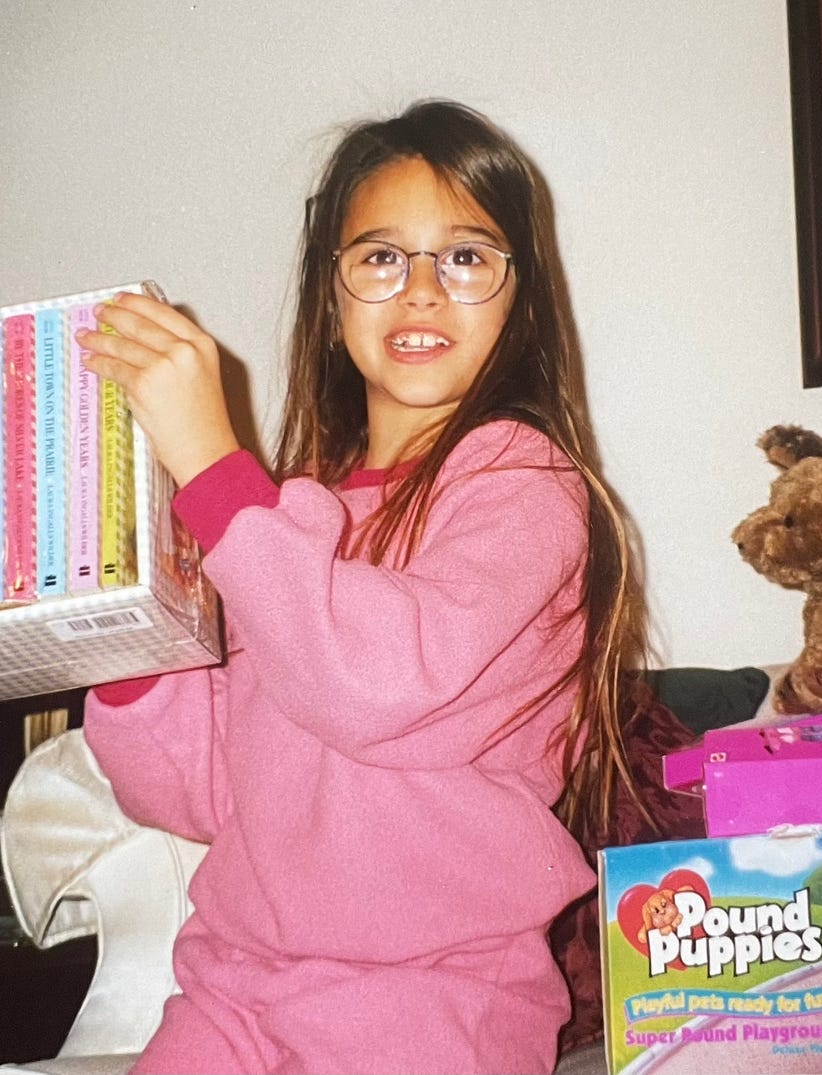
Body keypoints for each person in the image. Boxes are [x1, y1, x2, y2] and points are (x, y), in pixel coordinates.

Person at [76, 99, 647, 1074]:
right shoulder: (282, 521)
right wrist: (131, 648)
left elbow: (377, 679)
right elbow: (201, 790)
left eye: (465, 257)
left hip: (432, 996)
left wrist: (215, 471)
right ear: (331, 300)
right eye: (380, 258)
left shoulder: (525, 484)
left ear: (521, 301)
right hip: (233, 986)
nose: (420, 288)